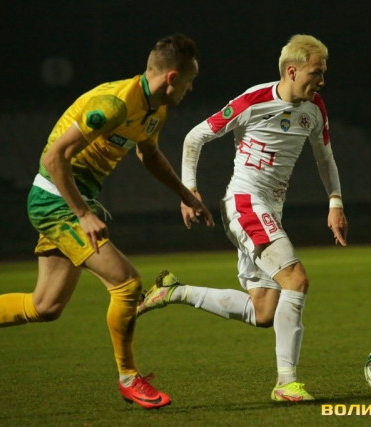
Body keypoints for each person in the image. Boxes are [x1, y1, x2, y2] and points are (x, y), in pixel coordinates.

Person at [0, 33, 214, 410]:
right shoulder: (114, 104)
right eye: (189, 80)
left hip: (73, 199)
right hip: (54, 198)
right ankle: (128, 379)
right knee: (126, 283)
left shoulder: (155, 111)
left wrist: (186, 196)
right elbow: (55, 158)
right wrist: (83, 214)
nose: (190, 88)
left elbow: (148, 155)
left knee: (45, 306)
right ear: (171, 77)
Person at [138, 34, 348, 402]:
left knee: (264, 311)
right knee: (296, 280)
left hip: (270, 209)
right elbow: (194, 137)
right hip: (245, 203)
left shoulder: (315, 108)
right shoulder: (254, 100)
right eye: (316, 73)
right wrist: (190, 191)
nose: (322, 81)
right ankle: (286, 383)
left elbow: (324, 157)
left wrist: (335, 202)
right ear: (292, 71)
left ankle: (174, 291)